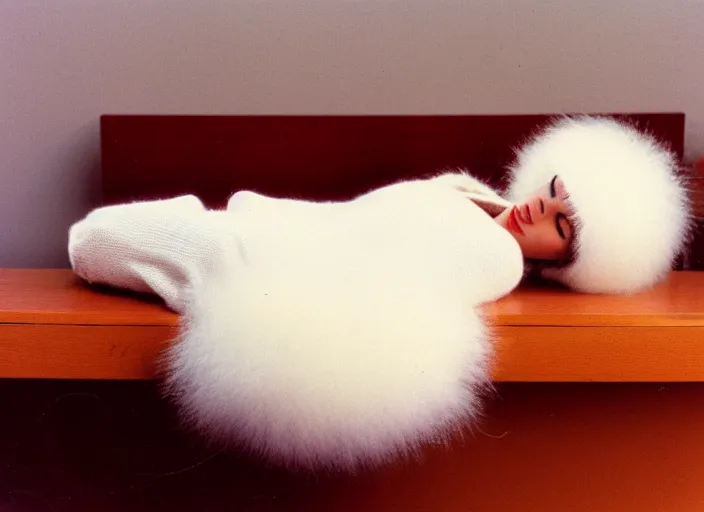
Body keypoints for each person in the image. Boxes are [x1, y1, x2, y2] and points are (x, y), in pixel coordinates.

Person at [67, 115, 691, 472]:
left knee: (98, 242)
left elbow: (391, 262)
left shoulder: (497, 258)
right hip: (285, 224)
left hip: (275, 259)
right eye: (555, 189)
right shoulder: (470, 194)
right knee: (114, 239)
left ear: (570, 261)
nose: (541, 207)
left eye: (562, 223)